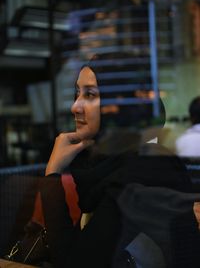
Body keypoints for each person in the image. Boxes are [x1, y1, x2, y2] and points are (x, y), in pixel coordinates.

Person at [5, 53, 200, 267]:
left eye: (90, 95)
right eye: (77, 94)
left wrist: (52, 173)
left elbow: (72, 263)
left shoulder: (139, 174)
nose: (75, 107)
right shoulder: (109, 167)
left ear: (119, 107)